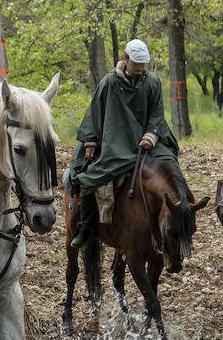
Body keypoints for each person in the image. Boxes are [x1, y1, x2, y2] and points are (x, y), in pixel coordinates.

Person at [66, 39, 179, 249]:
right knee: (92, 176)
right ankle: (87, 225)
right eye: (136, 62)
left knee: (171, 164)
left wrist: (151, 136)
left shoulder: (153, 82)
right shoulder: (110, 81)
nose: (140, 67)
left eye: (143, 63)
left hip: (147, 139)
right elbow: (95, 112)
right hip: (115, 140)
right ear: (125, 59)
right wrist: (90, 141)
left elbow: (157, 115)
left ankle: (178, 219)